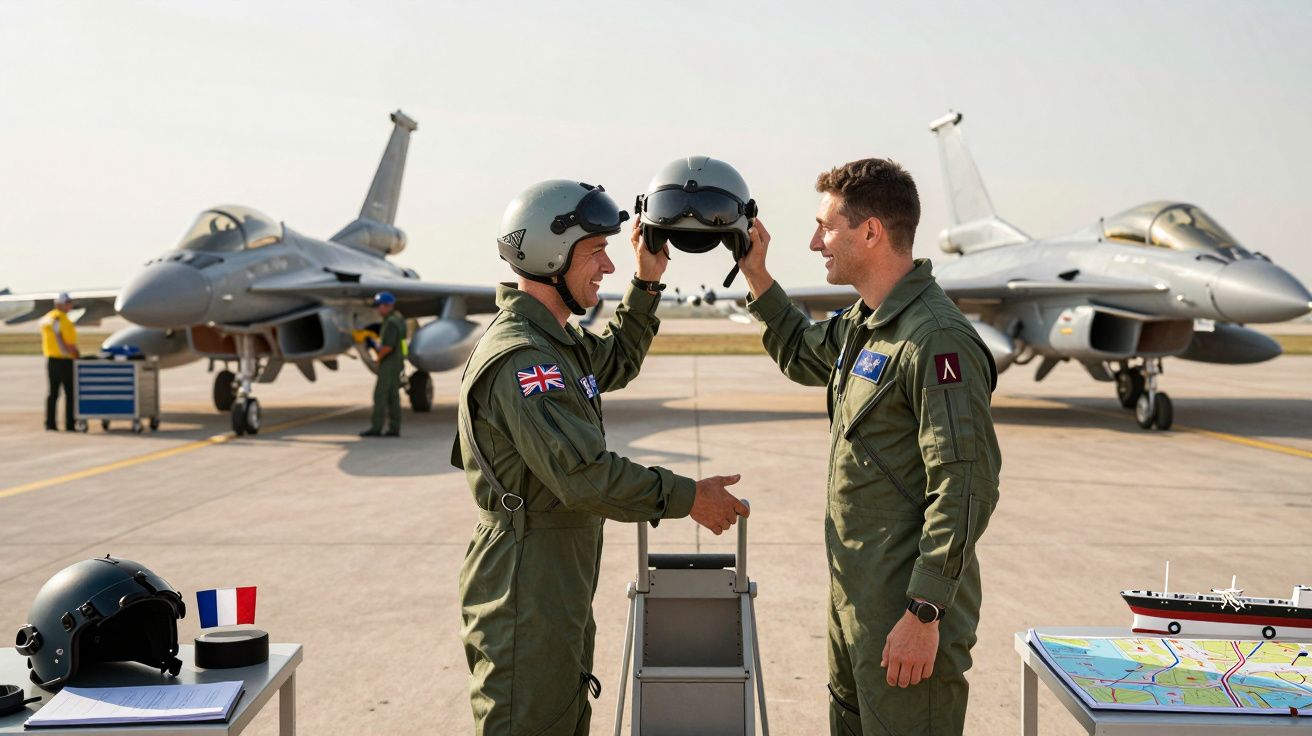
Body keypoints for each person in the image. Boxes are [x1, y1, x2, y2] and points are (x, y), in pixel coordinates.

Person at [456, 179, 749, 734]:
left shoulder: (553, 343)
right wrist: (688, 497)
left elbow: (611, 362)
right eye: (596, 253)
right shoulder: (522, 359)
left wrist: (648, 280)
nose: (608, 268)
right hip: (527, 587)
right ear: (550, 254)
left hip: (552, 580)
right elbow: (585, 478)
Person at [738, 159, 1002, 735]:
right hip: (857, 601)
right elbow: (804, 351)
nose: (814, 242)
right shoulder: (867, 323)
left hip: (905, 611)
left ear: (871, 231)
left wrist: (923, 612)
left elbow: (965, 486)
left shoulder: (934, 339)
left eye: (825, 227)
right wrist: (757, 275)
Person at [359, 291, 405, 438]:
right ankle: (394, 428)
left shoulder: (390, 322)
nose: (378, 309)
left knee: (380, 395)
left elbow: (388, 347)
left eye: (379, 306)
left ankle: (376, 428)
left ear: (387, 306)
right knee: (393, 396)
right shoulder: (398, 318)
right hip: (397, 361)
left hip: (389, 363)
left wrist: (378, 356)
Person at [40, 293, 80, 431]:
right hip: (65, 361)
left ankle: (50, 423)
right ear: (60, 304)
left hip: (52, 360)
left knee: (53, 393)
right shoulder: (62, 320)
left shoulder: (47, 318)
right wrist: (76, 355)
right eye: (67, 302)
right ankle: (70, 425)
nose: (70, 305)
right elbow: (67, 343)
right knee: (70, 393)